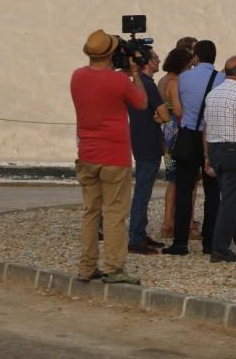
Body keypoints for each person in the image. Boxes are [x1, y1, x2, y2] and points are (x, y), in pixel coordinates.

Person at [70, 29, 147, 284]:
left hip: (87, 154)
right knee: (114, 213)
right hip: (114, 155)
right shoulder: (119, 81)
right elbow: (141, 103)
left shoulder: (77, 77)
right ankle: (114, 268)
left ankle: (86, 266)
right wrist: (134, 73)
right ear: (111, 53)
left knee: (91, 212)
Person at [163, 40, 224, 256]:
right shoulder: (221, 78)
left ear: (196, 57)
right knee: (213, 191)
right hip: (213, 136)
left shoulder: (184, 78)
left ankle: (180, 242)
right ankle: (209, 242)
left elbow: (178, 109)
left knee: (183, 189)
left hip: (188, 134)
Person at [202, 56, 236, 262]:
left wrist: (207, 154)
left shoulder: (213, 94)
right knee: (231, 201)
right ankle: (220, 248)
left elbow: (206, 127)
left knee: (229, 197)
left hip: (215, 149)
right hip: (234, 150)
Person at [128, 50, 169, 255]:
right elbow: (164, 115)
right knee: (142, 193)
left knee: (142, 192)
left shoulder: (135, 83)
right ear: (147, 62)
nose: (159, 60)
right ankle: (136, 237)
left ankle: (139, 233)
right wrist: (161, 118)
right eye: (155, 58)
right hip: (149, 142)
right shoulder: (148, 84)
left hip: (139, 139)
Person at [157, 47, 193, 238]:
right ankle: (173, 222)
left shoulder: (162, 80)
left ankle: (166, 222)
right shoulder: (175, 82)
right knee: (181, 179)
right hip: (176, 131)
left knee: (172, 178)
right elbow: (178, 111)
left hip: (164, 131)